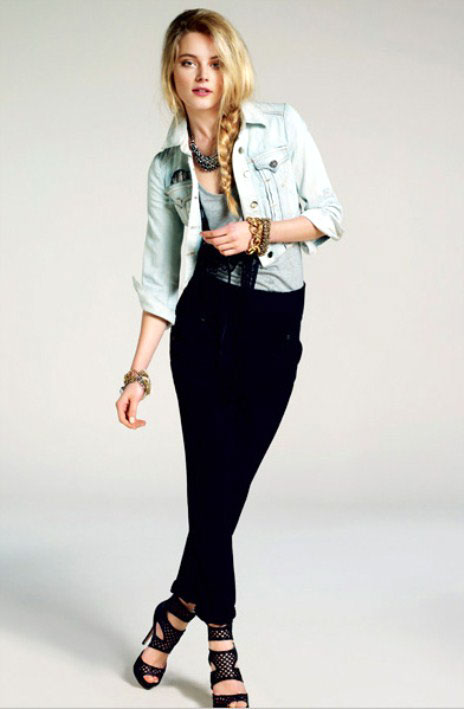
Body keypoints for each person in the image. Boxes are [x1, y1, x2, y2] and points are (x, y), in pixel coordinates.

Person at [115, 8, 344, 708]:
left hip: (272, 328)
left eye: (214, 62)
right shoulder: (167, 168)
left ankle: (173, 611)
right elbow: (160, 277)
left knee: (224, 492)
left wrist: (259, 230)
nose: (202, 75)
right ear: (173, 73)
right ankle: (222, 643)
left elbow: (329, 215)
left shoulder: (281, 127)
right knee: (208, 487)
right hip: (203, 324)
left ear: (230, 67)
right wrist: (136, 373)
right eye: (188, 62)